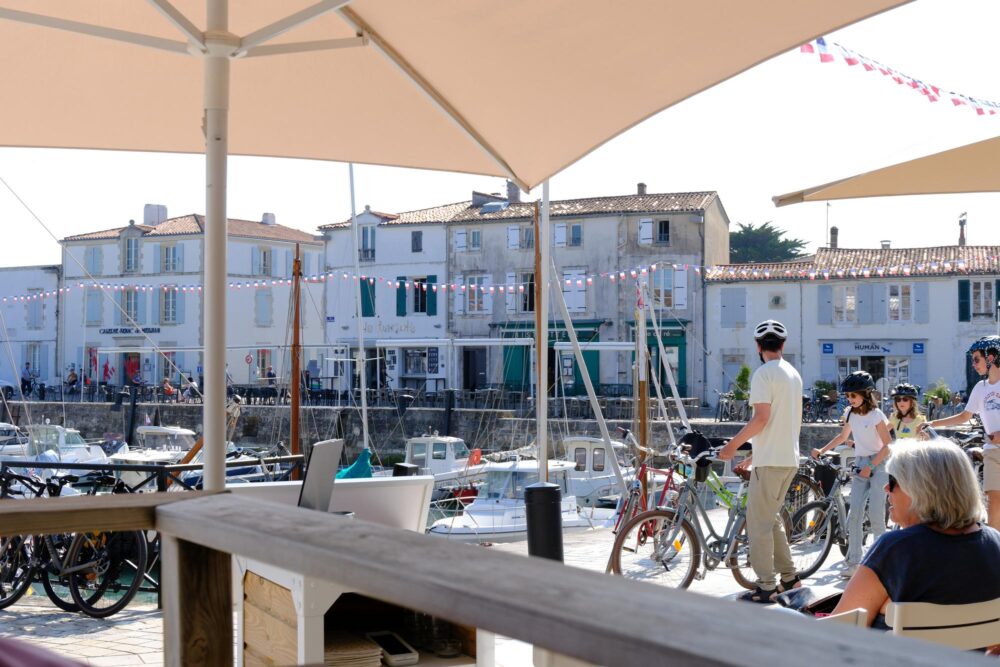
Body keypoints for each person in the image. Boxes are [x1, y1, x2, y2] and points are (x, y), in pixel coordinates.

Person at [832, 440, 1000, 639]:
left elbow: (835, 635)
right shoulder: (994, 543)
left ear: (920, 489)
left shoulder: (895, 551)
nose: (886, 488)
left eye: (892, 481)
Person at [718, 319, 802, 603]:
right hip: (788, 458)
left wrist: (732, 446)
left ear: (757, 346)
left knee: (758, 525)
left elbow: (762, 418)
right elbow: (781, 424)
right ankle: (789, 577)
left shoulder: (764, 374)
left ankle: (766, 586)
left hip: (770, 463)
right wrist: (754, 455)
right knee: (771, 519)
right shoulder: (793, 374)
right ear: (783, 345)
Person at [811, 371, 891, 578]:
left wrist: (871, 466)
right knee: (854, 514)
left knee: (876, 514)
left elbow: (887, 446)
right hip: (862, 462)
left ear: (865, 394)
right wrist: (822, 450)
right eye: (847, 396)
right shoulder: (849, 413)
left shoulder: (876, 415)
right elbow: (842, 437)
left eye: (853, 395)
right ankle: (854, 561)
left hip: (879, 463)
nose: (850, 399)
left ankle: (882, 564)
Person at [923, 335, 1000, 530]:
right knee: (994, 503)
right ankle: (996, 546)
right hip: (993, 451)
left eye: (976, 359)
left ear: (991, 358)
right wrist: (932, 423)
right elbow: (965, 416)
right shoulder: (980, 388)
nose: (973, 364)